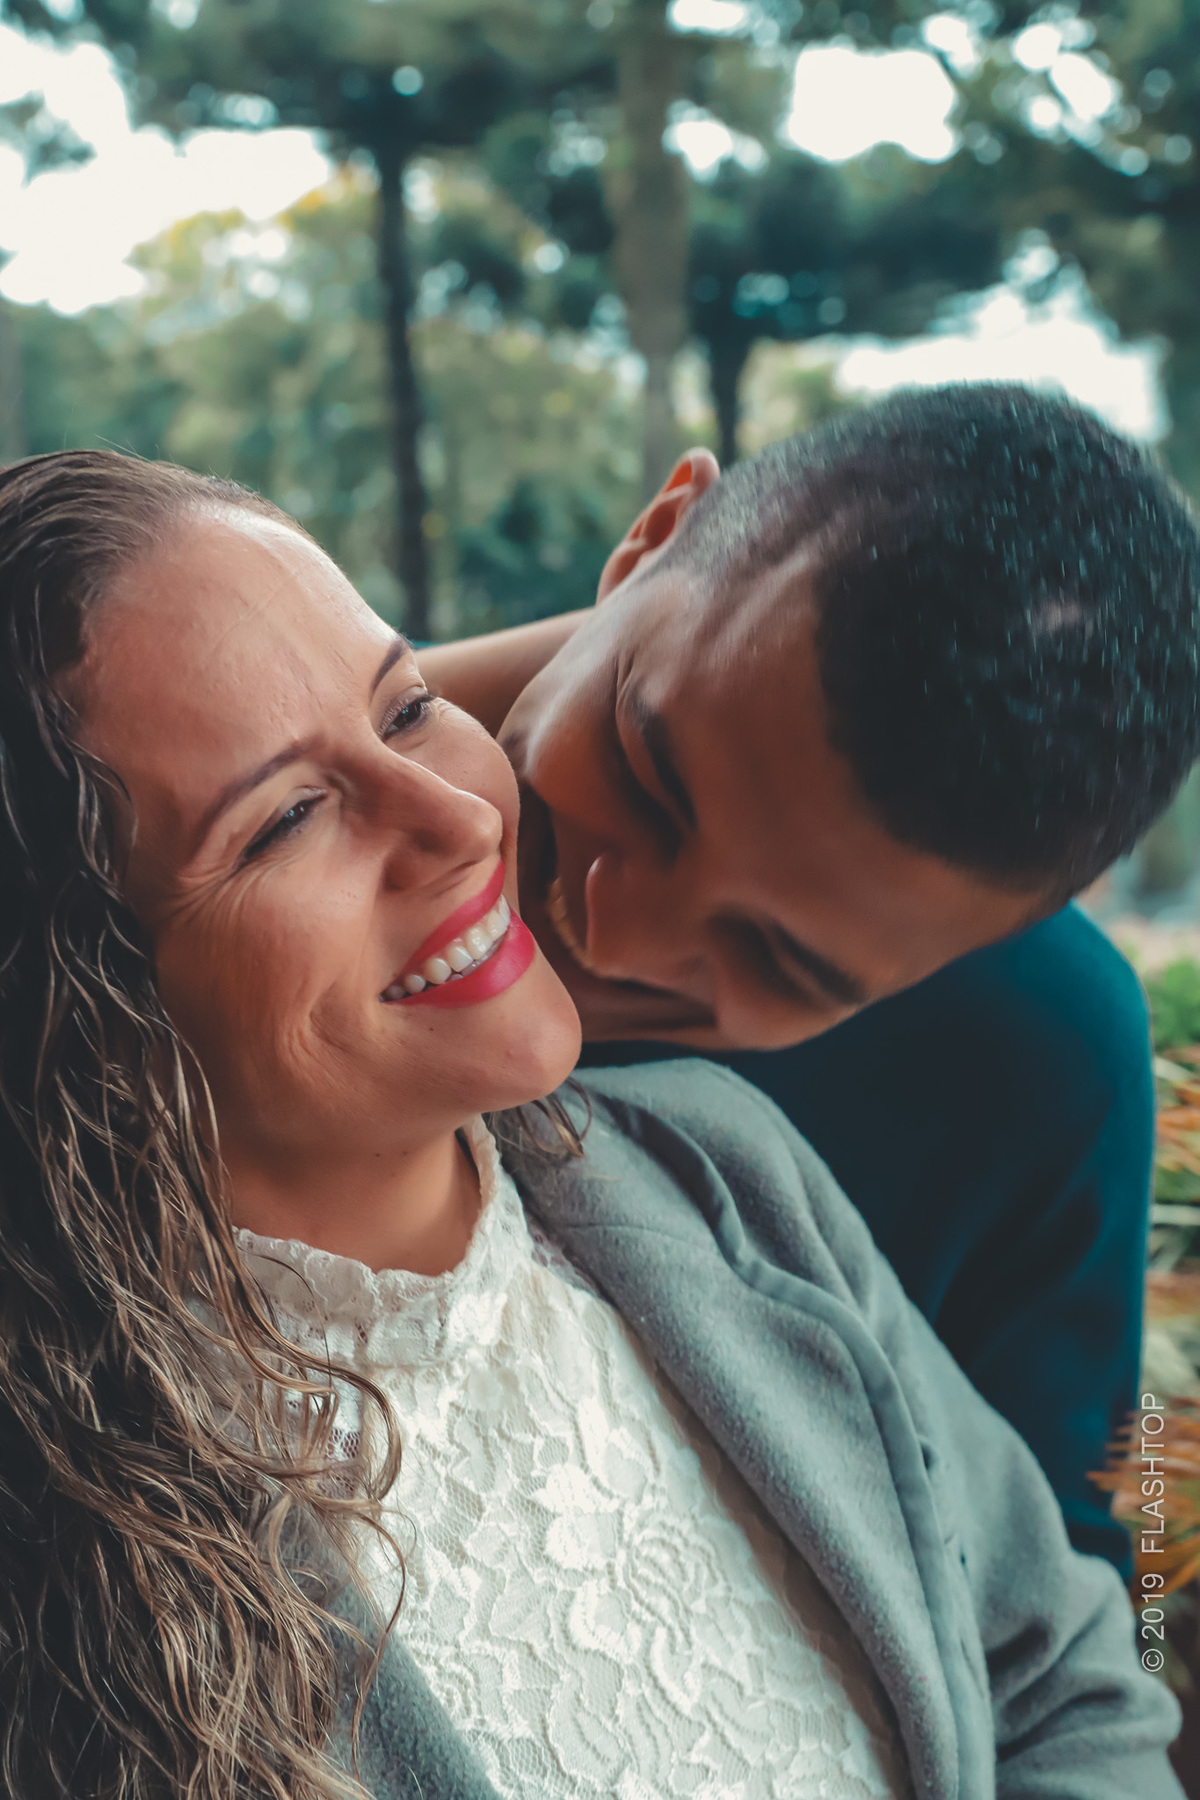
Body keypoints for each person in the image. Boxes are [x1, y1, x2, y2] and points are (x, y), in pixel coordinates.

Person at [0, 447, 1185, 1799]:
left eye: (778, 957)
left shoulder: (759, 1162)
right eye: (287, 823)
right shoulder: (69, 1510)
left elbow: (1071, 1652)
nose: (593, 924)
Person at [419, 384, 1200, 1570]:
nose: (614, 938)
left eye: (776, 960)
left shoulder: (1034, 1058)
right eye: (643, 774)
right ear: (656, 535)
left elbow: (1076, 1579)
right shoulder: (136, 827)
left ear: (980, 948)